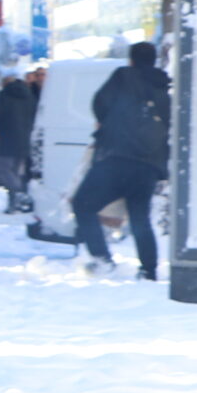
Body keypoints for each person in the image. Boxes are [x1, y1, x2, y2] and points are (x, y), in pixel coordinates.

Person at [73, 40, 170, 280]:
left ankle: (102, 260)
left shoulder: (123, 76)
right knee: (140, 218)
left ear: (132, 59)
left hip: (117, 158)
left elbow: (100, 103)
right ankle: (148, 270)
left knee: (83, 204)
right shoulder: (162, 87)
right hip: (148, 164)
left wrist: (108, 124)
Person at [0, 70, 38, 213]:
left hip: (7, 138)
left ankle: (19, 194)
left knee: (5, 170)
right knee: (17, 172)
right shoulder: (28, 95)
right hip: (24, 139)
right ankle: (14, 203)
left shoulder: (4, 96)